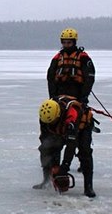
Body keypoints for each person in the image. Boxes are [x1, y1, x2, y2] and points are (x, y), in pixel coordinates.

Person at [36, 27, 96, 197]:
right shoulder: (57, 59)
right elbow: (50, 78)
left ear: (75, 42)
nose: (66, 44)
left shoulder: (83, 58)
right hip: (58, 98)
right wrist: (53, 97)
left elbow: (89, 77)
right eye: (64, 42)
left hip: (78, 103)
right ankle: (47, 179)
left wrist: (83, 97)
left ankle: (88, 186)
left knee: (84, 150)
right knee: (47, 147)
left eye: (69, 42)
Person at [33, 97, 96, 197]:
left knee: (85, 152)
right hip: (62, 127)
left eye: (52, 122)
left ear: (58, 115)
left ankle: (88, 187)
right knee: (45, 148)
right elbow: (44, 137)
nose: (50, 124)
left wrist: (64, 168)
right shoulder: (45, 117)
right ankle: (46, 180)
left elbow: (71, 146)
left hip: (82, 128)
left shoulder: (72, 116)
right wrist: (53, 165)